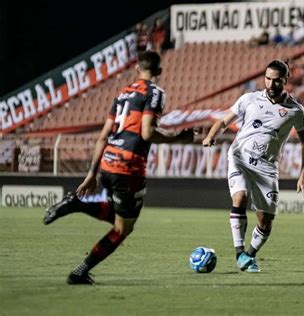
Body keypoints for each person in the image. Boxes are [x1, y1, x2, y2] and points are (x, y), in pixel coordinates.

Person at [43, 51, 193, 284]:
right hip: (129, 166)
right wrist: (179, 139)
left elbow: (103, 136)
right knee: (123, 228)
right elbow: (147, 132)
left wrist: (91, 174)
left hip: (108, 163)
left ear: (136, 68)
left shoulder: (122, 93)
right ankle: (80, 271)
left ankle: (78, 204)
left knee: (117, 216)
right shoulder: (155, 93)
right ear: (160, 71)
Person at [202, 59, 304, 273]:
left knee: (266, 222)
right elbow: (223, 121)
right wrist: (211, 135)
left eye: (277, 81)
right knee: (240, 197)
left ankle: (248, 256)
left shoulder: (295, 111)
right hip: (240, 157)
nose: (271, 85)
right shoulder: (249, 99)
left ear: (286, 80)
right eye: (268, 79)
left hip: (267, 168)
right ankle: (238, 252)